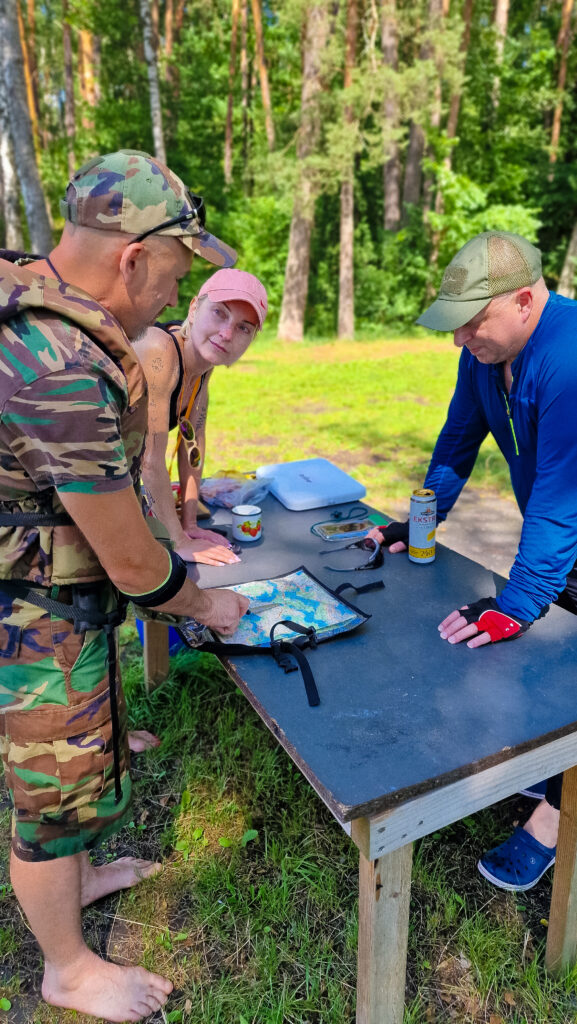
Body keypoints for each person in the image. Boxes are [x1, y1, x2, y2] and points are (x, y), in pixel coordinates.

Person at [0, 149, 249, 1023]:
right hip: (23, 618)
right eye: (176, 278)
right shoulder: (61, 368)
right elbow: (137, 564)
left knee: (75, 771)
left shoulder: (43, 296)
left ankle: (85, 875)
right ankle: (65, 969)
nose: (177, 303)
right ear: (131, 257)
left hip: (53, 598)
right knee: (45, 792)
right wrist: (207, 603)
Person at [371, 230, 577, 892]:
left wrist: (515, 606)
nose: (459, 340)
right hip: (566, 534)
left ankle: (552, 821)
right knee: (561, 667)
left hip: (566, 517)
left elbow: (556, 502)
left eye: (471, 323)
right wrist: (417, 520)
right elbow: (457, 442)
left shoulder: (569, 357)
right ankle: (553, 777)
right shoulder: (486, 359)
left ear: (524, 300)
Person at [135, 268, 268, 566]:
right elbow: (149, 461)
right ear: (194, 308)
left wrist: (191, 524)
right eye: (219, 313)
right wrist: (179, 540)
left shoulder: (202, 370)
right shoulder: (160, 351)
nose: (227, 333)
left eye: (244, 328)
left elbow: (192, 446)